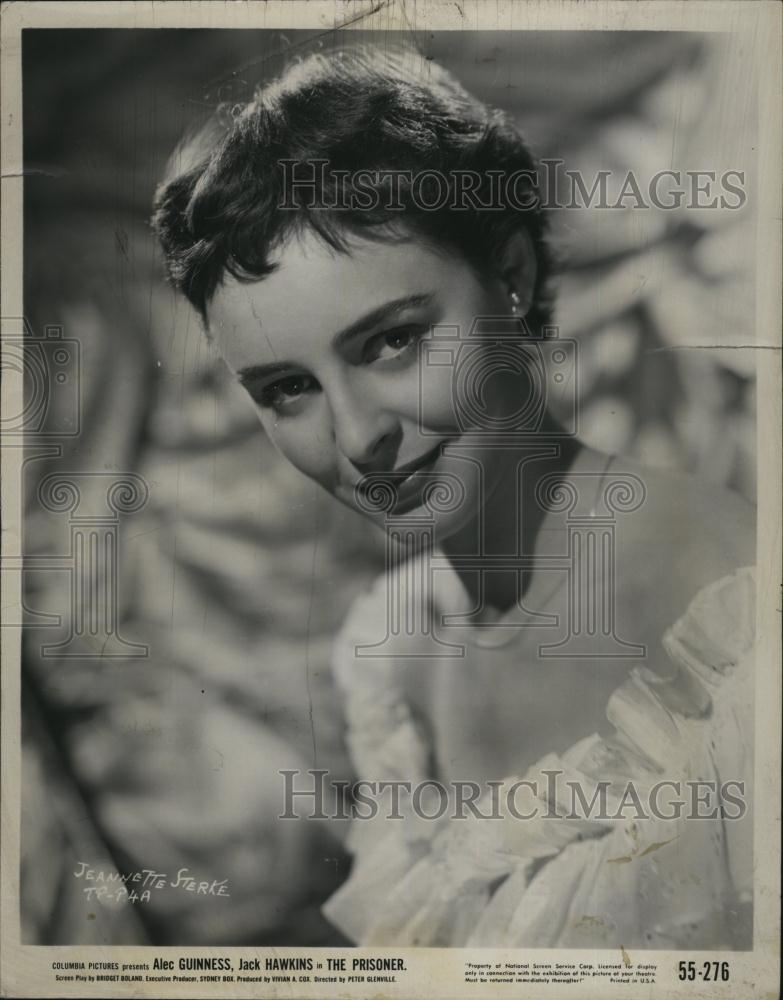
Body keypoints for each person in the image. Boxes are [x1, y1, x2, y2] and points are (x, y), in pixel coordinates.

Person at [152, 47, 755, 949]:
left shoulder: (740, 617)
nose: (357, 439)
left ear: (510, 277)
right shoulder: (384, 656)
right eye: (287, 389)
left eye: (390, 341)